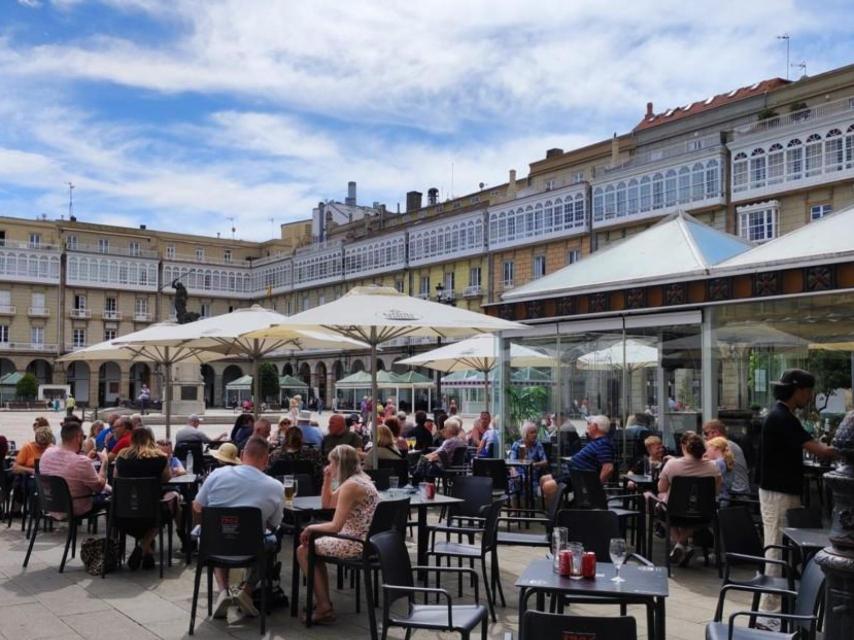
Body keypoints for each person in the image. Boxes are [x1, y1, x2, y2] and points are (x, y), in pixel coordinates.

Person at [757, 369, 836, 625]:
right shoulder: (782, 417)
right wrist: (842, 448)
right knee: (777, 547)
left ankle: (776, 608)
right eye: (808, 391)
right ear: (798, 390)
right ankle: (771, 614)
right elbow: (820, 450)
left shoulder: (782, 415)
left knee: (779, 546)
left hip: (781, 489)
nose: (810, 396)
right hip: (778, 492)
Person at [194, 436, 284, 620]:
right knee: (272, 541)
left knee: (218, 534)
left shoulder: (217, 474)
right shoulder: (275, 487)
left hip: (212, 548)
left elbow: (197, 506)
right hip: (251, 550)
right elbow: (273, 525)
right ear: (266, 460)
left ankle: (223, 591)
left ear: (242, 455)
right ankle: (247, 590)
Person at [296, 444, 379, 625]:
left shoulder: (351, 486)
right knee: (312, 550)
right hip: (368, 542)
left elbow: (335, 526)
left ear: (339, 464)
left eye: (331, 464)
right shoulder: (361, 479)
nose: (329, 467)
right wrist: (327, 478)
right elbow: (327, 504)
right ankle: (323, 603)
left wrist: (310, 528)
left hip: (354, 543)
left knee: (303, 551)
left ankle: (324, 607)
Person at [656, 431, 721, 566]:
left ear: (684, 447)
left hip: (674, 513)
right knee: (694, 510)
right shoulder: (713, 467)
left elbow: (661, 488)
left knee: (661, 501)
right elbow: (716, 491)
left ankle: (679, 545)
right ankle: (681, 546)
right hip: (703, 514)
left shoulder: (672, 465)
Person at [114, 427, 173, 570]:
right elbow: (167, 479)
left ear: (132, 439)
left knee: (143, 515)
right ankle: (144, 547)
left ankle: (146, 550)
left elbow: (115, 478)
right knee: (168, 508)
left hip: (123, 511)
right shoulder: (160, 458)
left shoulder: (122, 456)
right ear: (151, 439)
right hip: (152, 511)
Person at [39, 421, 110, 516]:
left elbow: (66, 467)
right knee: (111, 498)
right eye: (83, 437)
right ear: (78, 437)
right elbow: (99, 487)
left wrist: (87, 459)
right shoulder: (81, 462)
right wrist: (105, 462)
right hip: (75, 507)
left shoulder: (47, 453)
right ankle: (115, 530)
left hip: (50, 505)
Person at [540, 414, 614, 504]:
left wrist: (595, 488)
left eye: (589, 424)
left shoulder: (603, 444)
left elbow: (608, 468)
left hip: (579, 478)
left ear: (595, 427)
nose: (587, 426)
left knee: (548, 486)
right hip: (572, 474)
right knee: (544, 479)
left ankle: (554, 513)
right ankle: (555, 508)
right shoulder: (596, 441)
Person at [702, 419, 750, 495]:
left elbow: (705, 464)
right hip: (737, 489)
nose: (705, 437)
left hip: (735, 492)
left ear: (715, 432)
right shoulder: (729, 445)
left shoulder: (723, 446)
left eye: (706, 434)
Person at [412, 417, 466, 482]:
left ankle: (419, 484)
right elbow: (438, 452)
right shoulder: (456, 440)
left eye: (445, 428)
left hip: (444, 466)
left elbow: (440, 454)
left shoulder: (450, 442)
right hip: (447, 465)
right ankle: (421, 482)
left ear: (449, 430)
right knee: (422, 462)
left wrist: (427, 458)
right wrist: (426, 457)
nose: (443, 430)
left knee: (423, 465)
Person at [509, 422, 549, 494]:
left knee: (527, 482)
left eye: (535, 432)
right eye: (532, 432)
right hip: (518, 476)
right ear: (525, 434)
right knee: (516, 480)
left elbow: (545, 462)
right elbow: (512, 462)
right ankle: (516, 501)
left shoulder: (538, 445)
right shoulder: (517, 444)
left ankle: (526, 502)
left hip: (532, 475)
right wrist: (513, 470)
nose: (535, 435)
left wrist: (534, 464)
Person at [705, 437, 734, 504]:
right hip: (725, 498)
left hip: (718, 500)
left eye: (707, 449)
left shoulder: (717, 463)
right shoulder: (725, 461)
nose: (706, 452)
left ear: (715, 448)